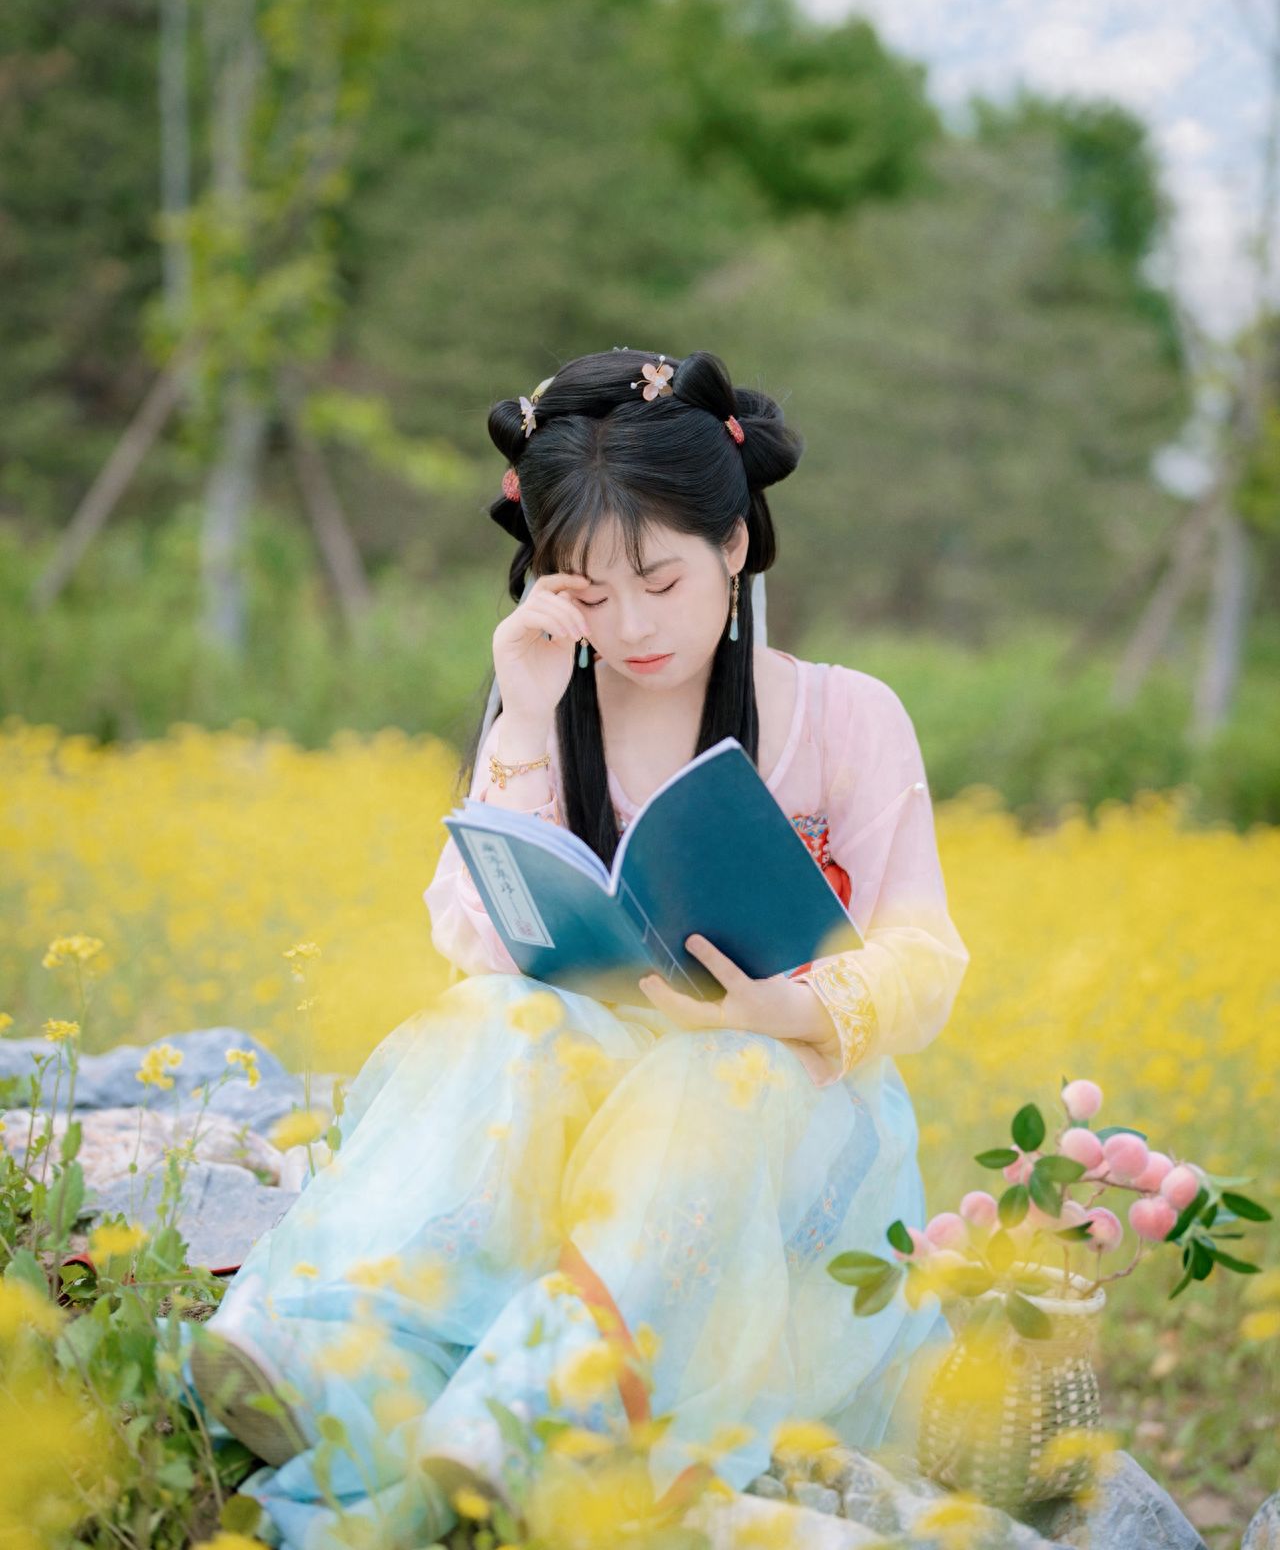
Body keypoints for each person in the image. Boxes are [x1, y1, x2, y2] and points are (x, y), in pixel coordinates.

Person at [182, 346, 970, 1549]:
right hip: (597, 1094)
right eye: (590, 592)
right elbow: (475, 941)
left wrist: (780, 1009)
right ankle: (327, 1356)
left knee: (715, 1071)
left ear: (734, 545)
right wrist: (524, 715)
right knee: (492, 1017)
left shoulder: (844, 714)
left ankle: (541, 1411)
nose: (634, 624)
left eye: (659, 578)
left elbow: (925, 956)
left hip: (781, 1110)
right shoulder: (548, 707)